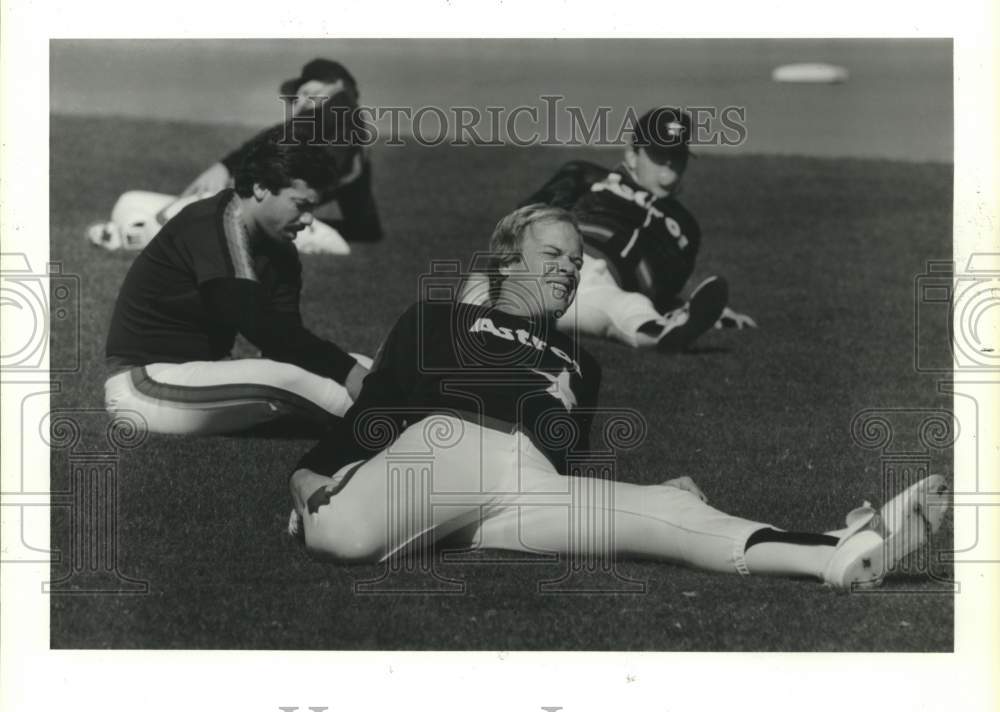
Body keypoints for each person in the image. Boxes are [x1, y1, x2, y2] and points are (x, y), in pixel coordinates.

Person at [287, 204, 948, 590]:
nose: (569, 270)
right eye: (553, 255)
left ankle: (833, 549)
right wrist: (312, 469)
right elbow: (380, 405)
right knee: (342, 536)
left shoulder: (583, 362)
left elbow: (562, 463)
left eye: (577, 263)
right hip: (447, 444)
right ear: (506, 261)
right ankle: (332, 506)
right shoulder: (439, 317)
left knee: (669, 512)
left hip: (524, 486)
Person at [103, 123, 371, 436]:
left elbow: (285, 340)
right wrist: (347, 371)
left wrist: (354, 369)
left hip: (203, 374)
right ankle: (389, 415)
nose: (310, 219)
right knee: (291, 379)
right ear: (261, 188)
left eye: (313, 206)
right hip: (143, 383)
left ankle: (394, 405)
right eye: (301, 205)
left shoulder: (282, 250)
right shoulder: (212, 220)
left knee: (362, 364)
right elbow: (256, 321)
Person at [517, 107, 756, 352]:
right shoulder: (586, 175)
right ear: (633, 154)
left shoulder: (686, 228)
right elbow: (523, 220)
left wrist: (695, 310)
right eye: (658, 155)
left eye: (677, 157)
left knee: (629, 306)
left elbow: (662, 293)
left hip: (600, 289)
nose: (668, 167)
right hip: (556, 260)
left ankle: (667, 333)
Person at [89, 58, 381, 255]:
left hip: (281, 225)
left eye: (309, 92)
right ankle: (140, 232)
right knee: (129, 201)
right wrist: (224, 167)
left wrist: (226, 166)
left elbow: (295, 132)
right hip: (264, 219)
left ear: (338, 87)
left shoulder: (342, 115)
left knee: (206, 210)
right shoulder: (318, 129)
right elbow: (366, 228)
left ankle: (135, 237)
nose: (301, 102)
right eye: (298, 97)